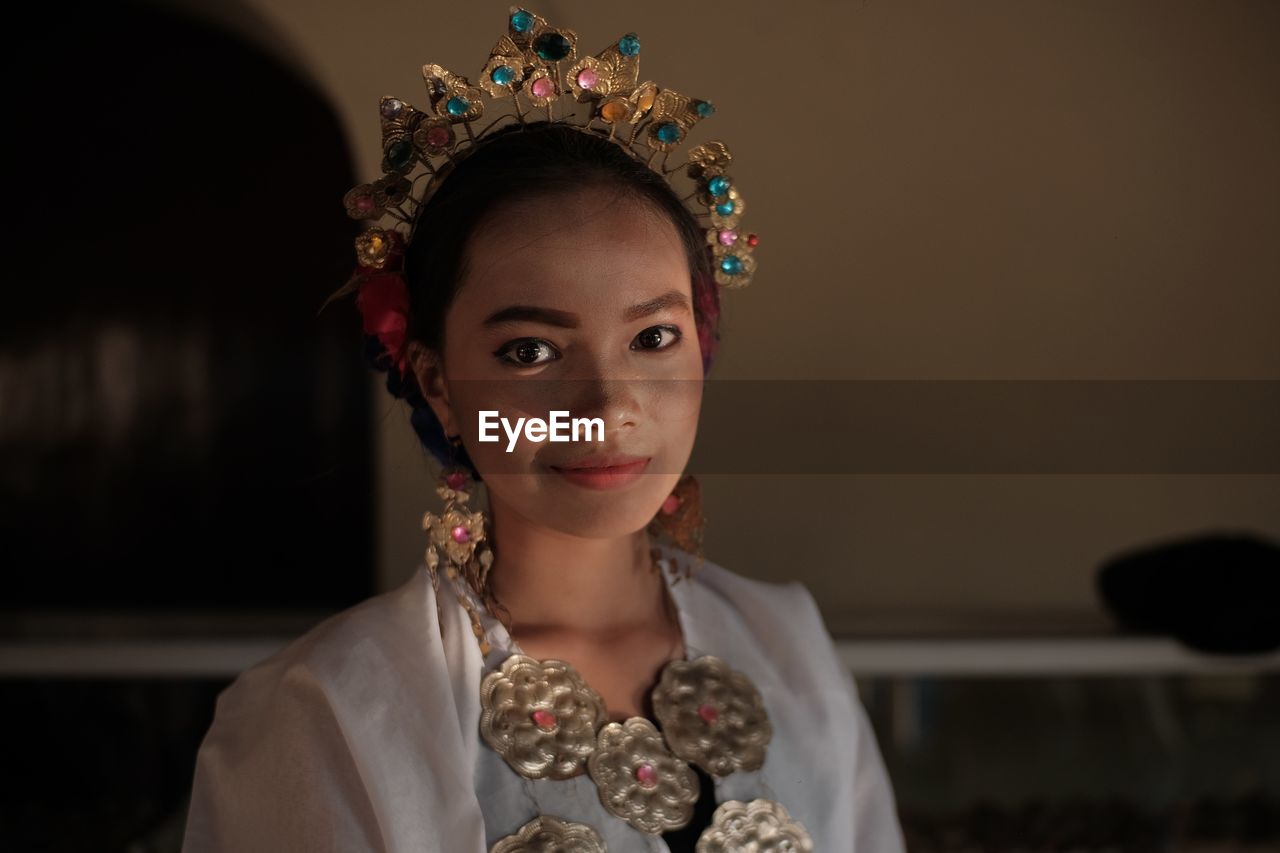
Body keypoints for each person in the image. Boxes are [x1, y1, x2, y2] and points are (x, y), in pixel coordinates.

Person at [182, 9, 905, 852]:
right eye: (530, 349)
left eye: (652, 338)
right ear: (438, 383)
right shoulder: (337, 706)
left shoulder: (787, 645)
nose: (607, 406)